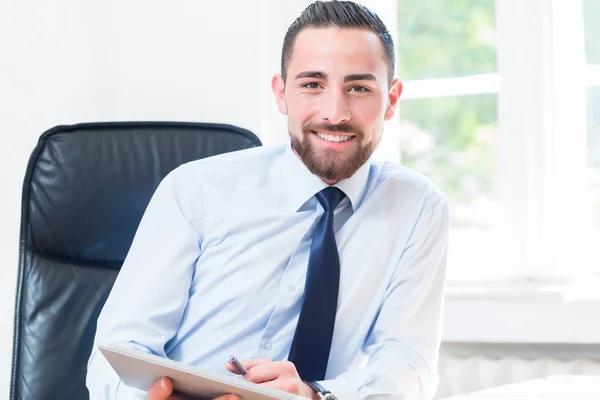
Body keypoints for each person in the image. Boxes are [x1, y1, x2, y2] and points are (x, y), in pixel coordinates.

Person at [86, 1, 449, 399]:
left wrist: (314, 395)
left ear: (392, 99)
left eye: (358, 88)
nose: (335, 112)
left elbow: (408, 364)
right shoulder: (195, 190)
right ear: (281, 93)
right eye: (312, 84)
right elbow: (116, 355)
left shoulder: (416, 207)